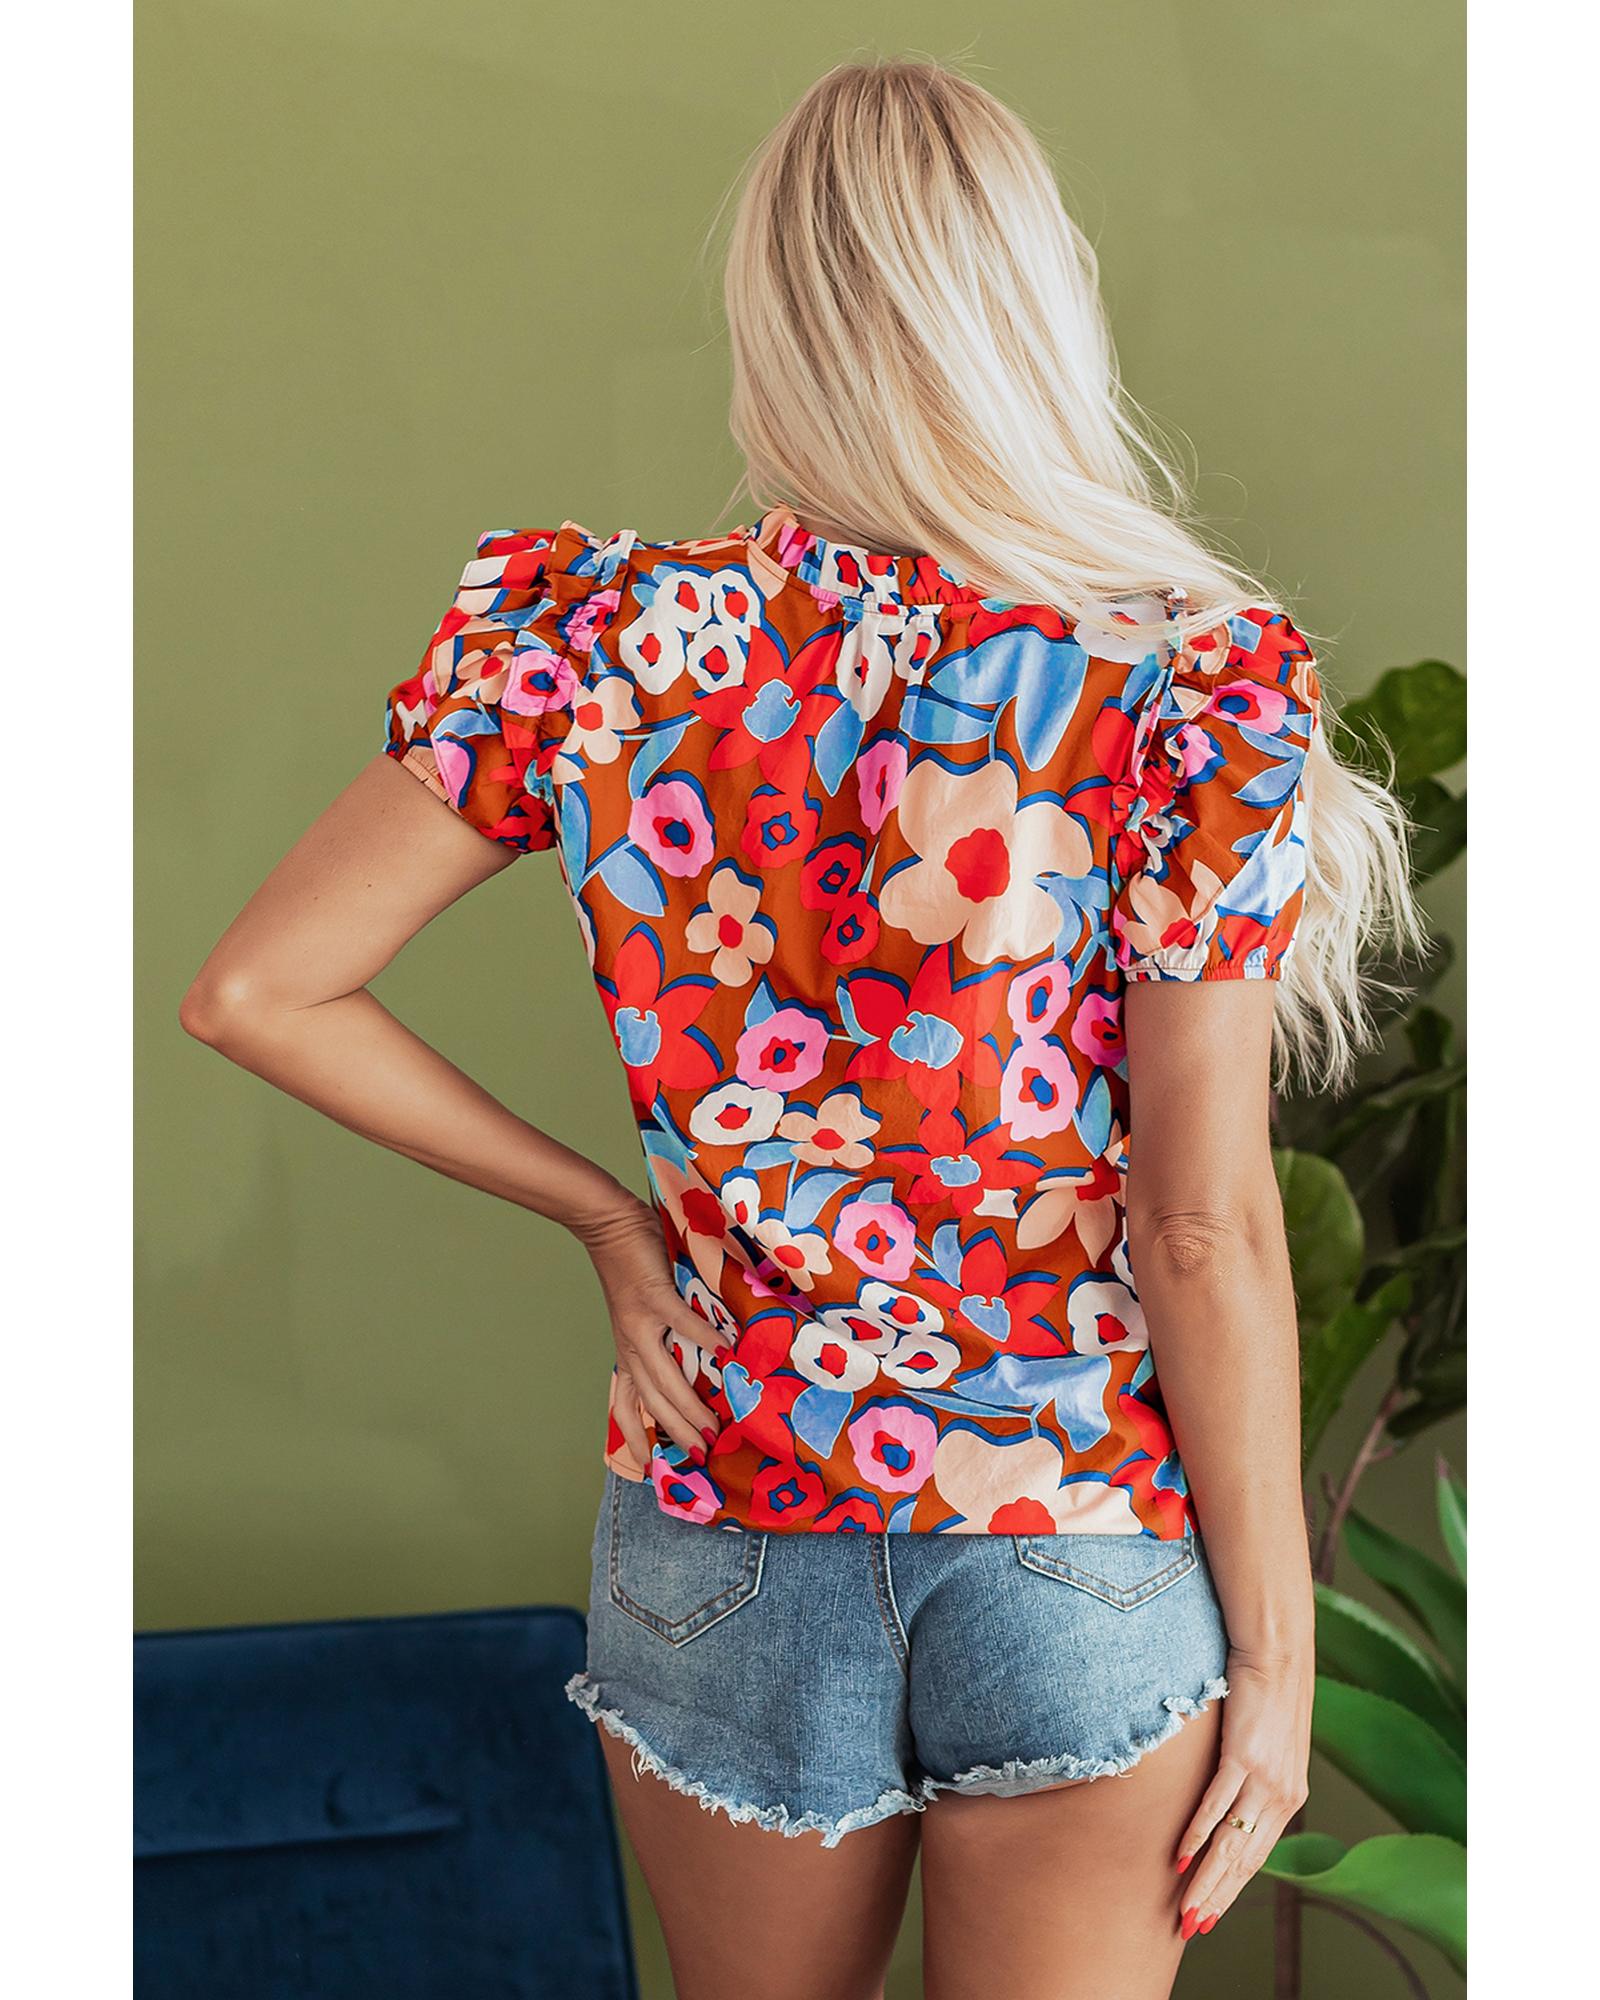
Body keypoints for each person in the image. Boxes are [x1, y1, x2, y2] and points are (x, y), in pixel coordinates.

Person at [180, 57, 1425, 2000]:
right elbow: (1199, 1224)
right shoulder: (1178, 682)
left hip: (728, 1519)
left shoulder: (596, 640)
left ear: (772, 317)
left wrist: (609, 1217)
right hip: (1073, 1525)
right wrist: (1274, 1660)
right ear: (1031, 302)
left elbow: (258, 990)